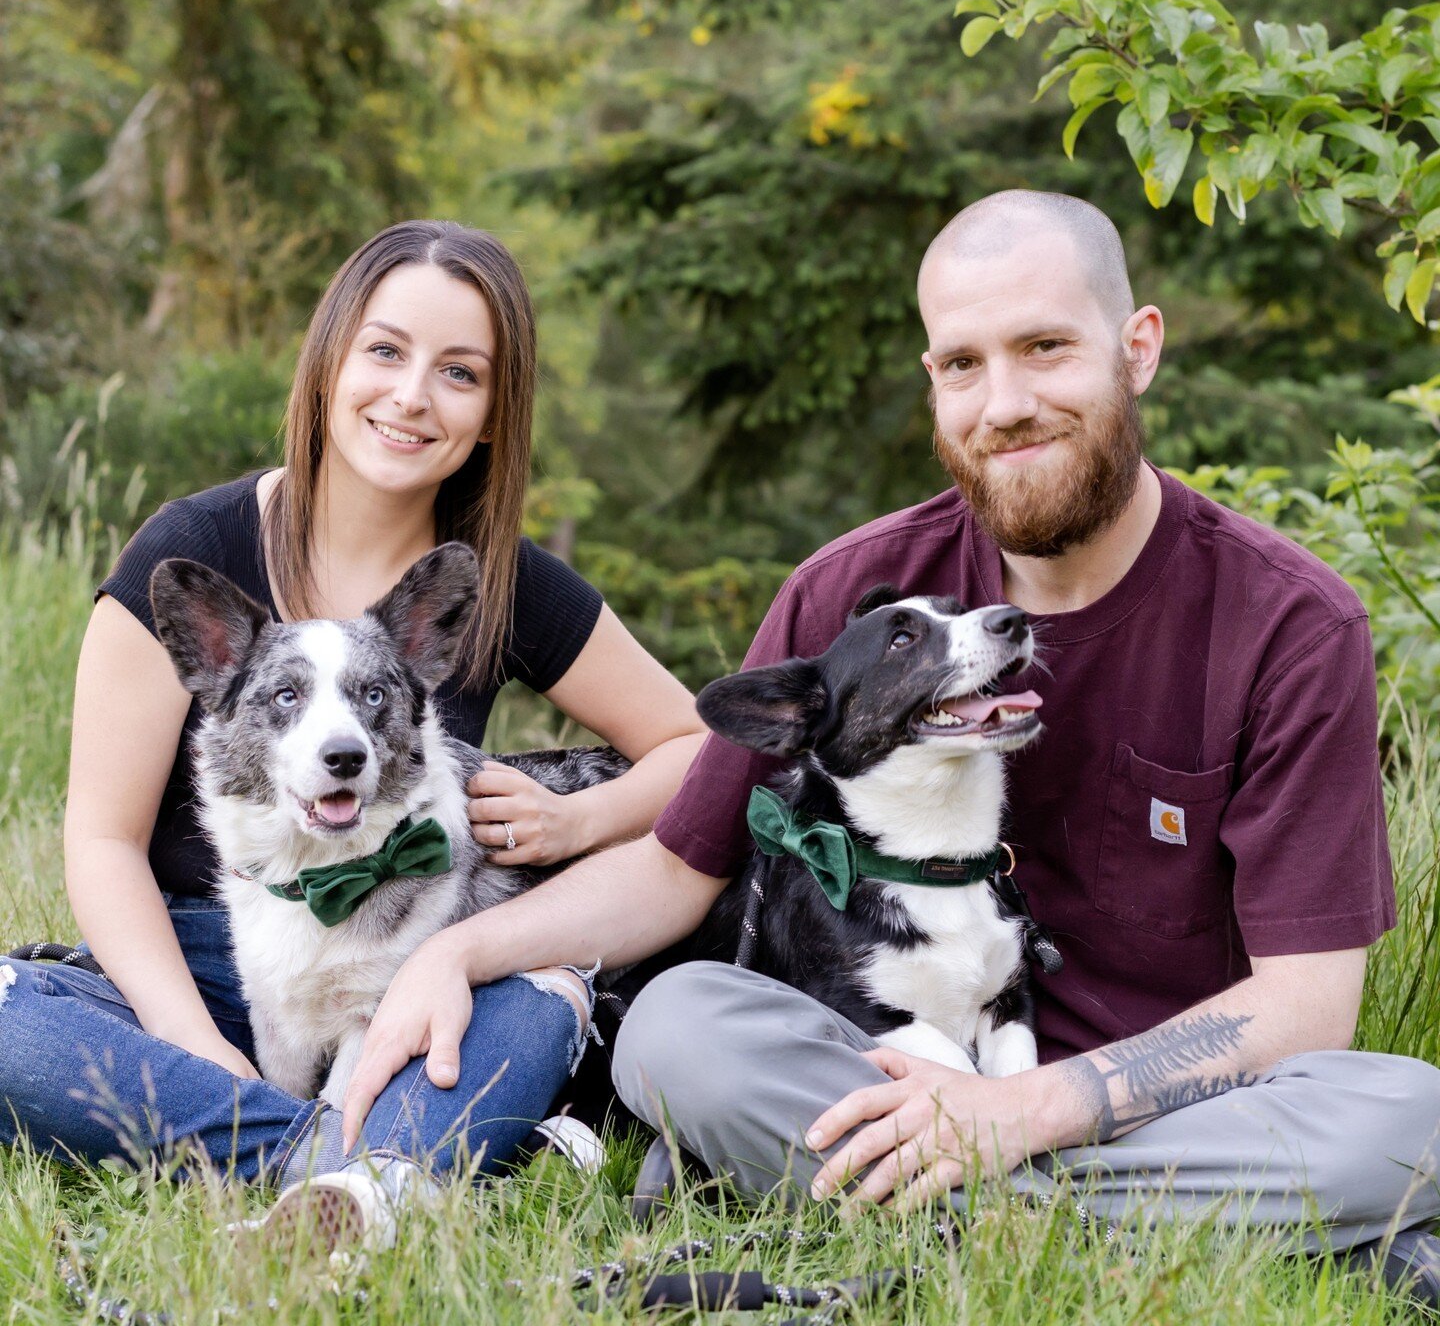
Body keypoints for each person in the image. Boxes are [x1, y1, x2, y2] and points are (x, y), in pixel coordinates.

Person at [339, 192, 1440, 1290]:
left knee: (1414, 1115)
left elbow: (1308, 1005)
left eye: (1045, 348)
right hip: (889, 1078)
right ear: (933, 380)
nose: (1003, 403)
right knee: (677, 1030)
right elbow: (679, 870)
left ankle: (972, 1216)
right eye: (962, 364)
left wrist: (1019, 1114)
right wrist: (458, 950)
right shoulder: (846, 600)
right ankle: (1199, 1238)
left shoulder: (1290, 623)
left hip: (1162, 1107)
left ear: (1136, 349)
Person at [0, 220, 705, 1232]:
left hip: (414, 961)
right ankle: (349, 1169)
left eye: (460, 372)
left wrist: (578, 822)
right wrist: (191, 1041)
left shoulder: (501, 582)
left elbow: (698, 748)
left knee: (538, 996)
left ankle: (295, 1167)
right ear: (329, 361)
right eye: (385, 350)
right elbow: (102, 839)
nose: (413, 396)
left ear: (497, 413)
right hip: (204, 953)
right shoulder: (196, 544)